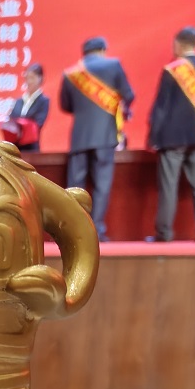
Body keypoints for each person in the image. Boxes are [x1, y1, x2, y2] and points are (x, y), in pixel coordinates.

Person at [146, 27, 195, 243]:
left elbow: (161, 108)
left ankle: (164, 233)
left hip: (172, 139)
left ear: (178, 44)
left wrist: (152, 137)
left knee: (168, 186)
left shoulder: (171, 70)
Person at [60, 37, 134, 240]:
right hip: (105, 136)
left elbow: (65, 105)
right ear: (103, 50)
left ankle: (74, 232)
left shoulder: (71, 73)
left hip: (79, 137)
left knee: (75, 186)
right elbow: (128, 95)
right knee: (102, 185)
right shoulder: (114, 65)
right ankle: (97, 230)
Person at [2, 64, 50, 151]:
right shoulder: (18, 101)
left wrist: (21, 125)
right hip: (15, 147)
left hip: (31, 148)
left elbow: (39, 123)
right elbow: (11, 119)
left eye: (32, 78)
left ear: (40, 79)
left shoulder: (43, 101)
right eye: (27, 78)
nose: (29, 81)